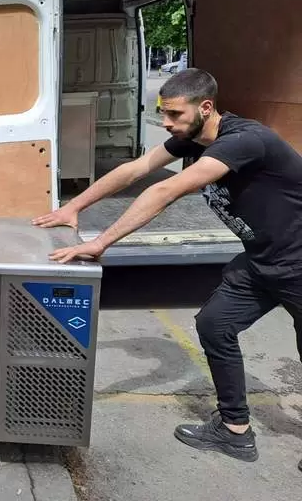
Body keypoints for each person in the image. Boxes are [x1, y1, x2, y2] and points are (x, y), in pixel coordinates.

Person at [33, 68, 302, 467]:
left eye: (174, 114)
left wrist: (101, 241)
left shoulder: (245, 140)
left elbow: (165, 189)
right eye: (163, 112)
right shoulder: (189, 139)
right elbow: (135, 171)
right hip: (262, 260)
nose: (166, 123)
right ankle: (235, 431)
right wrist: (73, 207)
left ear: (205, 108)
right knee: (215, 325)